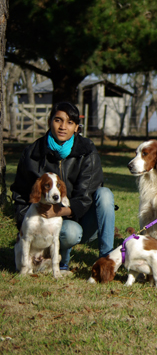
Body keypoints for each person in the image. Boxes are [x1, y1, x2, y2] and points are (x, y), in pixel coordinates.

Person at [11, 102, 115, 273]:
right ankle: (61, 263)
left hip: (83, 218)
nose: (63, 127)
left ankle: (107, 259)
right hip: (50, 224)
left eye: (69, 122)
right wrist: (26, 225)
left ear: (76, 128)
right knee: (70, 232)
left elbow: (85, 197)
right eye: (58, 120)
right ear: (50, 121)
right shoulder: (32, 153)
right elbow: (20, 195)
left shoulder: (87, 150)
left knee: (105, 194)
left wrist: (57, 211)